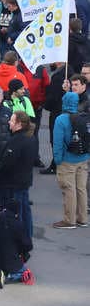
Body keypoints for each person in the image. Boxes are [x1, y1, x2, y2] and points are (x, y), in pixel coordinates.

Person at [0, 111, 36, 240]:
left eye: (12, 121)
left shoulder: (17, 141)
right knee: (25, 211)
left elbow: (7, 163)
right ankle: (27, 237)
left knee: (15, 214)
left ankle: (17, 241)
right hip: (24, 181)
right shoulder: (32, 138)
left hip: (12, 184)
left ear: (18, 124)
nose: (9, 122)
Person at [52, 92, 89, 229]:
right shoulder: (83, 116)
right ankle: (82, 218)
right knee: (81, 189)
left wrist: (57, 159)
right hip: (83, 158)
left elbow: (58, 142)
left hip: (67, 160)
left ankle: (69, 220)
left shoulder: (61, 119)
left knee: (69, 190)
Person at [0, 199, 34, 288]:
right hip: (9, 260)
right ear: (17, 212)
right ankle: (6, 275)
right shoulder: (18, 224)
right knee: (25, 271)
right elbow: (28, 245)